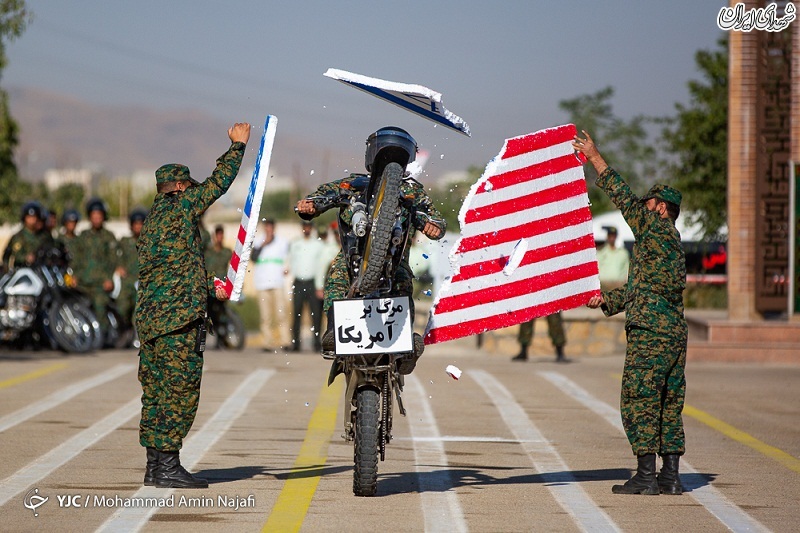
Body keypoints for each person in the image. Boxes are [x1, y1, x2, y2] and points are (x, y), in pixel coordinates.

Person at [135, 121, 250, 489]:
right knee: (180, 391)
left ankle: (155, 467)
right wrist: (237, 147)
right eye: (190, 189)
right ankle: (168, 465)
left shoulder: (153, 221)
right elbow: (218, 183)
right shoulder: (180, 206)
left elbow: (173, 270)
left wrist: (207, 287)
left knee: (155, 393)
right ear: (181, 188)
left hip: (152, 323)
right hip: (176, 322)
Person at [574, 130, 687, 496]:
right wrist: (605, 301)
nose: (644, 207)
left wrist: (595, 157)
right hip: (673, 333)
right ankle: (670, 477)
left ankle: (645, 476)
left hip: (651, 335)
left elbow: (622, 196)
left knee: (639, 399)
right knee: (670, 402)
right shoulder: (672, 246)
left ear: (660, 207)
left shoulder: (654, 227)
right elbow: (644, 290)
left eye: (649, 203)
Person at [296, 126, 446, 374]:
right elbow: (321, 196)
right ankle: (334, 330)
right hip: (352, 258)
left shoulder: (413, 191)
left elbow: (435, 219)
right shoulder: (352, 184)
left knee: (403, 279)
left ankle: (405, 343)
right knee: (337, 271)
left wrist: (433, 226)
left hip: (394, 263)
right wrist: (309, 205)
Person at [71, 198, 120, 343]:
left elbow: (113, 261)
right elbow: (76, 259)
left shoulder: (108, 236)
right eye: (94, 215)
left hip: (100, 284)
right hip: (82, 282)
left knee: (100, 305)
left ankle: (102, 338)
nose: (97, 218)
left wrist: (109, 279)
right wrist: (74, 275)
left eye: (99, 215)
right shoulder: (82, 237)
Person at [287, 220, 324, 351]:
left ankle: (316, 342)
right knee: (296, 313)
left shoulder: (318, 245)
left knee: (316, 314)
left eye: (309, 227)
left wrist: (320, 285)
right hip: (298, 282)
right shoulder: (295, 243)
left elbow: (321, 266)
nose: (306, 229)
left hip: (312, 283)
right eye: (305, 227)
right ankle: (295, 342)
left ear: (311, 228)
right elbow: (289, 260)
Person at [252, 218, 289, 351]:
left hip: (277, 282)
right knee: (265, 316)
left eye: (271, 227)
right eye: (266, 227)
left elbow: (286, 258)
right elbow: (253, 258)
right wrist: (263, 244)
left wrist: (287, 267)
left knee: (281, 314)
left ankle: (285, 341)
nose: (269, 230)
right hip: (262, 283)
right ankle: (267, 342)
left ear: (274, 228)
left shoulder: (282, 242)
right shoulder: (258, 241)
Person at [117, 208, 148, 345]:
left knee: (139, 309)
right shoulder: (125, 241)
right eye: (135, 224)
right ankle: (124, 330)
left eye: (140, 224)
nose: (138, 227)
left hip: (143, 281)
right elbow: (115, 257)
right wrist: (118, 266)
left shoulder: (149, 243)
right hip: (128, 280)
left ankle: (138, 336)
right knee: (122, 306)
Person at [2, 201, 45, 272]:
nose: (32, 220)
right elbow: (9, 255)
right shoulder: (18, 236)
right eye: (29, 217)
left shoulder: (42, 236)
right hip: (21, 271)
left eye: (34, 217)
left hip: (38, 271)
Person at [596, 226, 630, 291]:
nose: (612, 238)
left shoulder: (623, 253)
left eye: (613, 236)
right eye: (610, 236)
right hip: (604, 284)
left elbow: (626, 269)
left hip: (618, 285)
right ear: (607, 237)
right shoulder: (601, 252)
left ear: (616, 237)